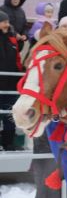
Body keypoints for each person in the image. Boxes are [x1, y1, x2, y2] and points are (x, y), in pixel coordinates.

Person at [0, 10, 22, 150]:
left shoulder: (12, 37)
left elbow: (17, 58)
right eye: (4, 21)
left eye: (8, 21)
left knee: (9, 114)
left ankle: (8, 142)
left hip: (10, 83)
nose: (7, 24)